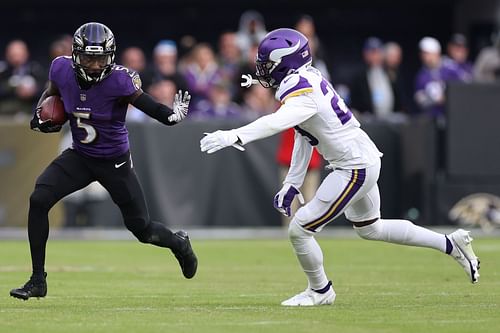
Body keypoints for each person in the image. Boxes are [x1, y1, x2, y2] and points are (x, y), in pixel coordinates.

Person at [200, 28, 480, 306]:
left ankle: (320, 291)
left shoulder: (300, 90)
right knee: (371, 229)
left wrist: (234, 135)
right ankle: (449, 243)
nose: (263, 70)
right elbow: (303, 135)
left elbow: (276, 123)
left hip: (353, 166)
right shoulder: (307, 77)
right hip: (361, 157)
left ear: (286, 62)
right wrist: (292, 183)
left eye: (268, 64)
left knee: (299, 229)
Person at [10, 22, 197, 301]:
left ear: (111, 57)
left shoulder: (120, 80)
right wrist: (40, 114)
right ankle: (38, 280)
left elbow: (145, 103)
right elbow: (51, 93)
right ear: (76, 55)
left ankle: (178, 243)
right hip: (81, 156)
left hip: (114, 162)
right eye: (89, 58)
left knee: (142, 229)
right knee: (39, 199)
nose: (95, 65)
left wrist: (170, 117)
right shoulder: (61, 69)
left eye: (100, 58)